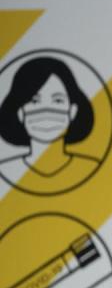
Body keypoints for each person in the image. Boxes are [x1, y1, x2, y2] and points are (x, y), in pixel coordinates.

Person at [0, 56, 101, 192]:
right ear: (20, 112)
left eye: (58, 100)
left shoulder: (90, 168)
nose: (46, 110)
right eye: (34, 101)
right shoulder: (6, 170)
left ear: (72, 111)